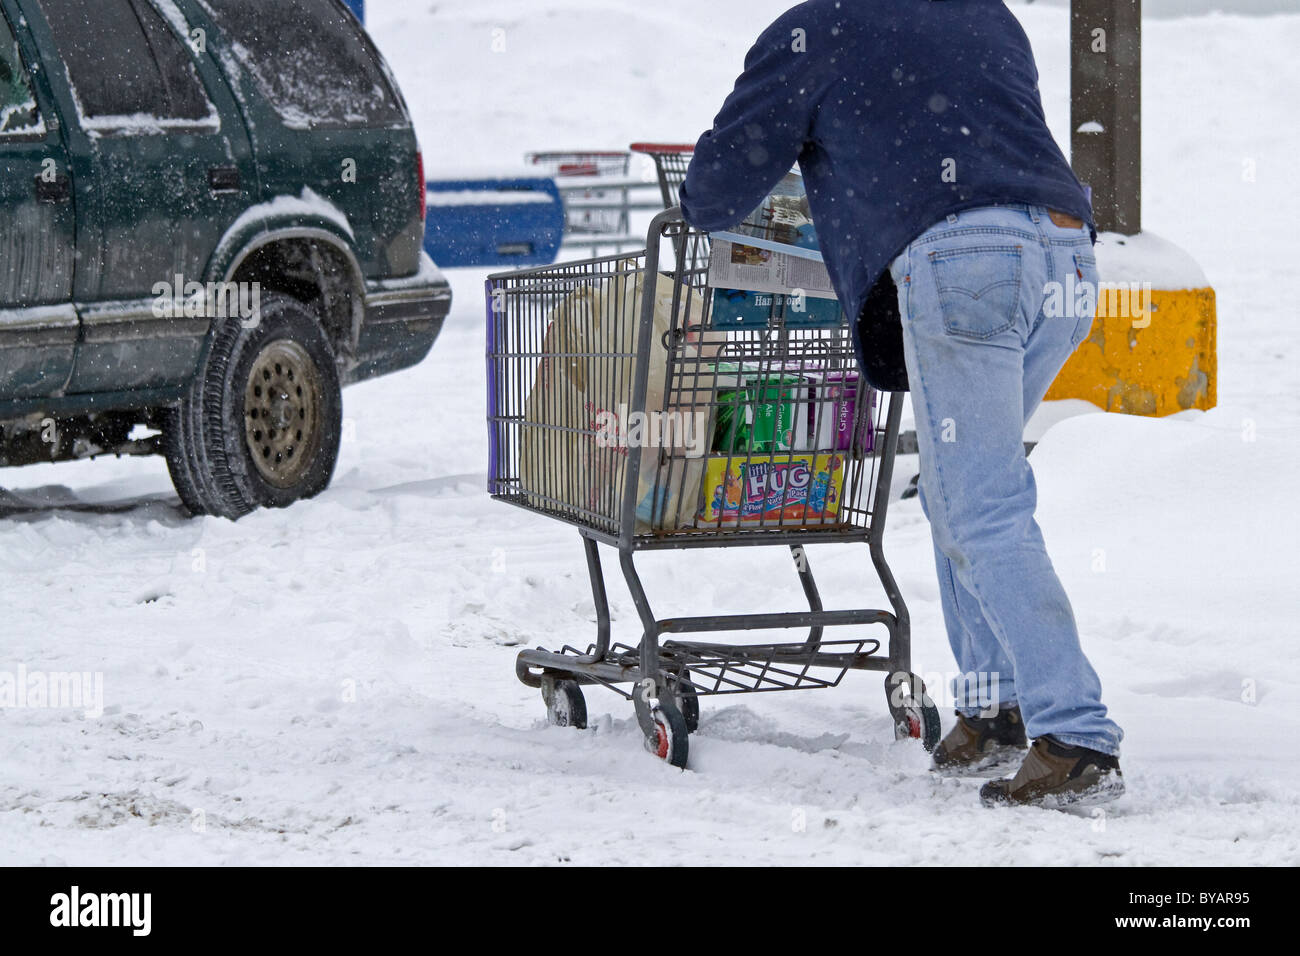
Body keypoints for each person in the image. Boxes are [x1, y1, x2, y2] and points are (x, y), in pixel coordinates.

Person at [679, 0, 1124, 808]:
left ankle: (1077, 732)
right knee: (969, 490)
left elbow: (716, 190)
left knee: (978, 502)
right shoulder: (984, 13)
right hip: (1064, 254)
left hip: (965, 266)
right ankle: (993, 707)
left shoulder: (812, 30)